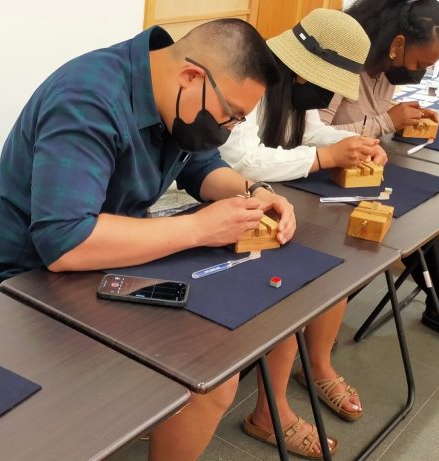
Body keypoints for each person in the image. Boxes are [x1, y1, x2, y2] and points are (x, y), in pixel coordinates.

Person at [0, 19, 338, 460]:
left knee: (269, 306)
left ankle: (262, 412)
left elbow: (202, 168)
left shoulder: (175, 92)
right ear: (192, 77)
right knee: (209, 375)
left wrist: (253, 193)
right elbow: (65, 241)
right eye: (230, 117)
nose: (225, 130)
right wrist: (200, 228)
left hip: (111, 260)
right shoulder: (87, 100)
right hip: (28, 286)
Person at [150, 7, 379, 436]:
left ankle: (277, 403)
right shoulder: (244, 84)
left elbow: (217, 162)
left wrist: (350, 143)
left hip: (214, 203)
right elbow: (239, 157)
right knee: (271, 287)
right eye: (325, 86)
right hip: (182, 212)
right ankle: (266, 408)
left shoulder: (280, 91)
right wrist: (322, 159)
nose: (328, 99)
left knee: (301, 280)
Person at [322, 0, 439, 353]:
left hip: (360, 166)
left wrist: (404, 115)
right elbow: (316, 133)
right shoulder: (341, 64)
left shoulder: (385, 68)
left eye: (429, 67)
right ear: (397, 44)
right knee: (400, 213)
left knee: (416, 213)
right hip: (324, 173)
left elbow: (369, 114)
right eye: (419, 63)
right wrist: (388, 120)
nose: (420, 73)